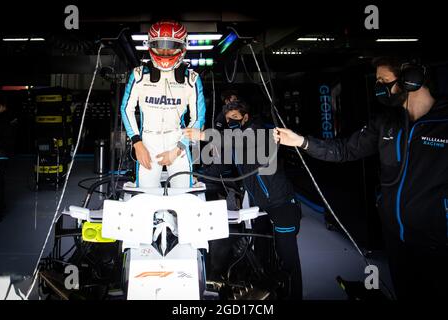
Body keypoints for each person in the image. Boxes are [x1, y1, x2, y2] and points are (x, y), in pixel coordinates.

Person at [273, 56, 448, 300]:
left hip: (437, 241)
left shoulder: (443, 123)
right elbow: (345, 150)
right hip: (395, 238)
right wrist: (300, 141)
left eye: (383, 81)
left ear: (412, 80)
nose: (379, 87)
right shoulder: (387, 122)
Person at [184, 100, 303, 299]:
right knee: (263, 256)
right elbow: (222, 168)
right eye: (228, 119)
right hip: (262, 207)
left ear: (246, 117)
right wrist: (196, 176)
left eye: (235, 118)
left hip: (282, 204)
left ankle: (294, 296)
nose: (231, 122)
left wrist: (204, 135)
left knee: (287, 260)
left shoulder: (257, 131)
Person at [120, 20, 206, 188]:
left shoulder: (192, 79)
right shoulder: (138, 76)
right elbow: (126, 109)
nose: (165, 52)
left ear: (182, 48)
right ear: (150, 46)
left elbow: (198, 119)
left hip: (178, 140)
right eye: (160, 46)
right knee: (146, 194)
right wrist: (137, 143)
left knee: (183, 195)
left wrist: (179, 148)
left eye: (171, 46)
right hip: (147, 142)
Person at [0, 93, 16, 223]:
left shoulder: (3, 119)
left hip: (0, 155)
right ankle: (0, 209)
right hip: (1, 155)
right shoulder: (5, 120)